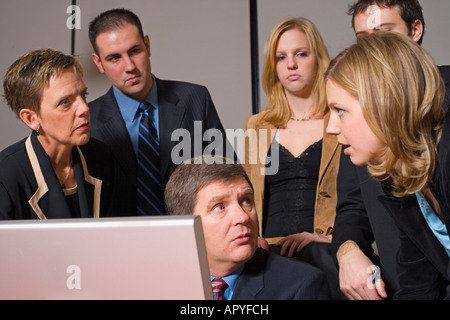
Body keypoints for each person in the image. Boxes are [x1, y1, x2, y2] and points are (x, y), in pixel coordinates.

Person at [332, 0, 450, 300]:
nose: (332, 128)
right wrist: (348, 251)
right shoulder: (388, 169)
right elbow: (415, 279)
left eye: (340, 111)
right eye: (363, 40)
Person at [87, 8, 228, 217]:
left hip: (193, 235)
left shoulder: (195, 98)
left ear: (148, 45)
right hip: (120, 244)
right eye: (114, 58)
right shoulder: (86, 119)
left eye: (135, 51)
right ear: (99, 63)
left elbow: (227, 176)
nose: (130, 66)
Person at [243, 17, 343, 299]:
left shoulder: (339, 120)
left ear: (318, 58)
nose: (291, 65)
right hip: (267, 253)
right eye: (281, 57)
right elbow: (246, 193)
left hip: (325, 250)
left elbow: (360, 195)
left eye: (301, 53)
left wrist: (333, 240)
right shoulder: (256, 126)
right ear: (273, 67)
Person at [164, 156, 331, 300]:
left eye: (246, 201)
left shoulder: (302, 287)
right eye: (219, 207)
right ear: (187, 225)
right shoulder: (160, 285)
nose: (243, 217)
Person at [0, 49, 116, 219]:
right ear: (31, 118)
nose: (84, 108)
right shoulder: (5, 176)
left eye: (83, 95)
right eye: (65, 102)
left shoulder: (101, 157)